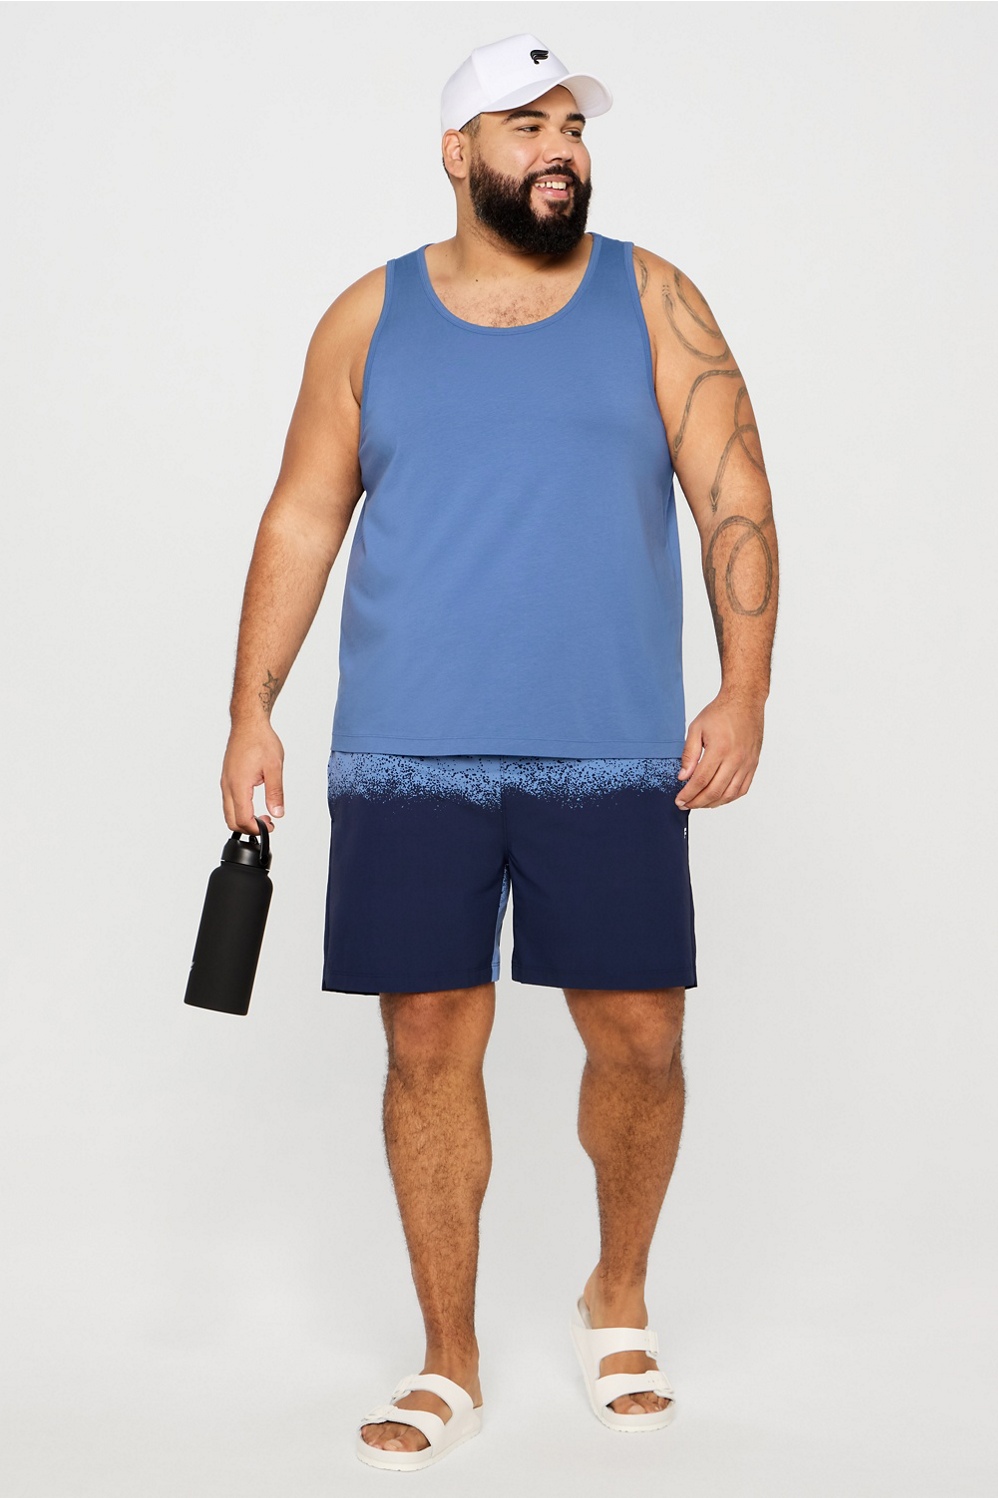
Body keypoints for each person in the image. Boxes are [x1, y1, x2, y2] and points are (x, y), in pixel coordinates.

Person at [220, 31, 778, 1472]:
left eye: (571, 126)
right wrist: (250, 706)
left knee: (641, 1034)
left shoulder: (655, 298)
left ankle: (615, 1295)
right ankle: (448, 1358)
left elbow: (734, 494)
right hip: (409, 753)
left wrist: (744, 689)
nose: (558, 148)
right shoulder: (368, 318)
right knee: (425, 1040)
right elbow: (302, 514)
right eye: (524, 125)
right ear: (456, 152)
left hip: (611, 748)